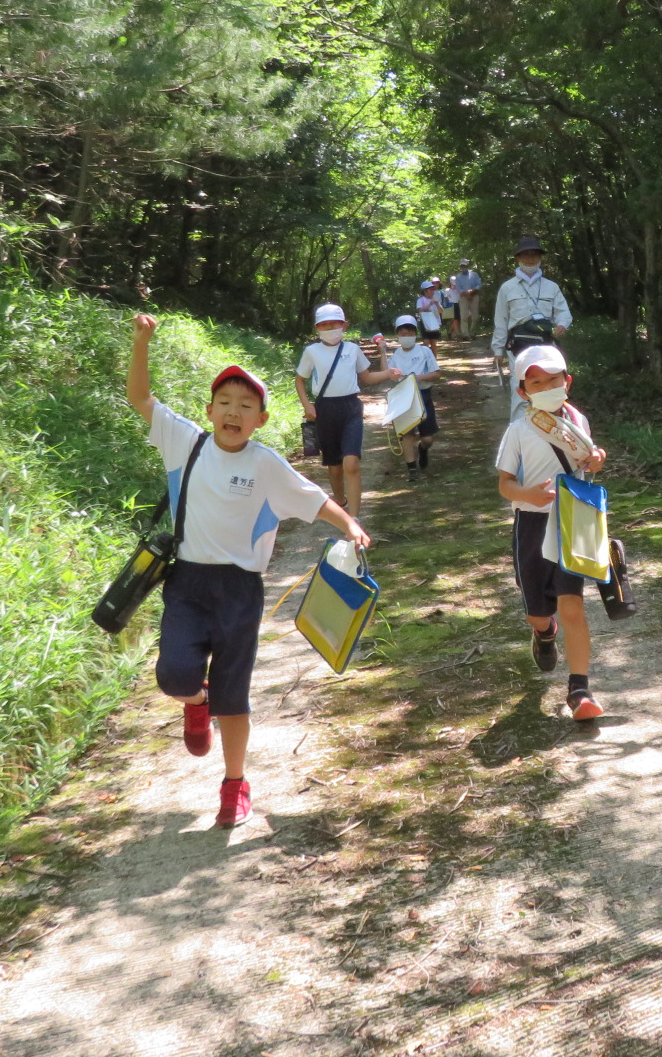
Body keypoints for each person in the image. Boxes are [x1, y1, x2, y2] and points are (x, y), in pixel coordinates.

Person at [127, 315, 372, 828]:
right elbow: (141, 400)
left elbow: (314, 499)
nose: (233, 413)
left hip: (240, 589)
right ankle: (196, 701)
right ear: (210, 411)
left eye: (245, 406)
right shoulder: (185, 443)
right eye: (225, 404)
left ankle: (234, 785)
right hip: (188, 582)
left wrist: (349, 523)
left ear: (261, 419)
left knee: (234, 695)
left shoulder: (264, 463)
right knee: (174, 675)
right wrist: (141, 344)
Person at [495, 344, 609, 721]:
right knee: (536, 612)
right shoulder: (518, 429)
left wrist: (597, 460)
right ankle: (545, 633)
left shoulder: (578, 420)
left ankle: (580, 689)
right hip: (531, 523)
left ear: (567, 381)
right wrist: (526, 494)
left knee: (573, 603)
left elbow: (586, 467)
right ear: (523, 392)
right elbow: (505, 485)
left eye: (553, 380)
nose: (547, 387)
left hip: (571, 520)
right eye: (537, 382)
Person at [295, 302, 402, 522]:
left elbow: (367, 377)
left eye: (334, 323)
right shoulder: (311, 352)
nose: (330, 328)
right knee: (334, 466)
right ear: (317, 328)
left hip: (351, 407)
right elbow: (300, 380)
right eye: (324, 325)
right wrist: (308, 406)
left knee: (351, 463)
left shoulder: (352, 349)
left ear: (344, 325)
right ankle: (340, 500)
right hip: (324, 409)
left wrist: (388, 373)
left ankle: (353, 518)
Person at [490, 235, 572, 415]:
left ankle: (552, 433)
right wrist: (498, 350)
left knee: (549, 389)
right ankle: (519, 435)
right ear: (518, 258)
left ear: (540, 257)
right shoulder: (507, 288)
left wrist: (562, 324)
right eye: (525, 255)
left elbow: (563, 312)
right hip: (518, 348)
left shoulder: (551, 287)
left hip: (546, 347)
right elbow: (501, 321)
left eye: (534, 254)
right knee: (520, 390)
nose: (530, 259)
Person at [386, 312, 440, 480]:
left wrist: (419, 378)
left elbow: (436, 373)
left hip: (423, 394)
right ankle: (412, 469)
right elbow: (387, 373)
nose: (406, 335)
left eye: (410, 332)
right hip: (403, 396)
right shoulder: (395, 355)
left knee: (428, 438)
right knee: (407, 433)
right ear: (397, 335)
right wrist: (382, 352)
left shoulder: (425, 351)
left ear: (415, 334)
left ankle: (423, 449)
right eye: (403, 333)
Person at [453, 258, 483, 338]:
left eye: (464, 265)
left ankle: (473, 333)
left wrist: (472, 291)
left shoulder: (474, 274)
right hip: (463, 298)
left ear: (467, 266)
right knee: (464, 317)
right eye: (461, 266)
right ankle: (465, 335)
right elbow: (459, 288)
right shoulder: (458, 277)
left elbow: (479, 285)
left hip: (474, 296)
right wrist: (467, 294)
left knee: (475, 317)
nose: (463, 267)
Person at [415, 279, 444, 344]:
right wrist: (429, 305)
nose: (432, 291)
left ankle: (434, 354)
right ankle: (426, 353)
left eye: (433, 290)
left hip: (434, 323)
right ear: (425, 291)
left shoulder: (435, 300)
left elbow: (441, 311)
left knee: (434, 341)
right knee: (426, 340)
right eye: (431, 290)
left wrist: (437, 304)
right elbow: (420, 310)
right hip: (424, 323)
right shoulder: (420, 300)